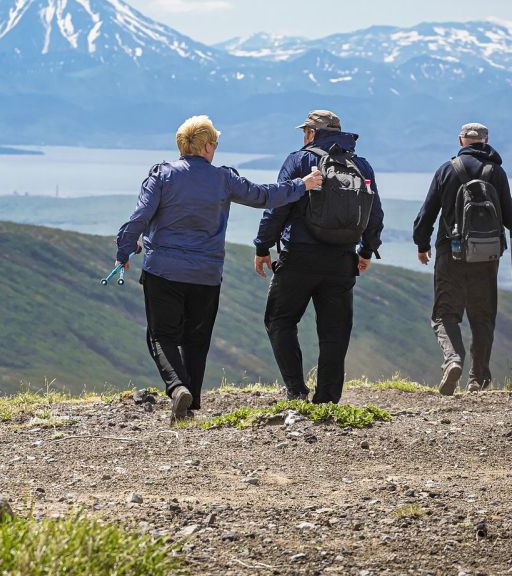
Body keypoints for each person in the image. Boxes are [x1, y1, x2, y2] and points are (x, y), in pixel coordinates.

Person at [115, 115, 322, 424]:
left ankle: (177, 388)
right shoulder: (224, 179)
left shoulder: (161, 176)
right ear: (208, 146)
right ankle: (192, 402)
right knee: (197, 339)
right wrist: (301, 185)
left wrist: (125, 247)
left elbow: (141, 215)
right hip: (206, 275)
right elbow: (264, 195)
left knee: (161, 335)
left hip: (163, 272)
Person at [254, 110, 384, 404]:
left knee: (280, 320)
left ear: (313, 133)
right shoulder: (361, 165)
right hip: (341, 261)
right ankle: (326, 399)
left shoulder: (299, 160)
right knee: (334, 332)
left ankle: (296, 390)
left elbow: (278, 205)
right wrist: (365, 250)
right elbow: (374, 213)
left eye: (305, 131)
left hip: (299, 257)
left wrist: (263, 246)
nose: (303, 136)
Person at [413, 123, 512, 395]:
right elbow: (511, 219)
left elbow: (427, 213)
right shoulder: (496, 172)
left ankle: (453, 359)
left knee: (445, 313)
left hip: (451, 252)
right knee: (482, 315)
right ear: (486, 141)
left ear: (462, 140)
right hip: (486, 256)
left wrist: (422, 243)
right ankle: (479, 378)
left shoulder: (447, 169)